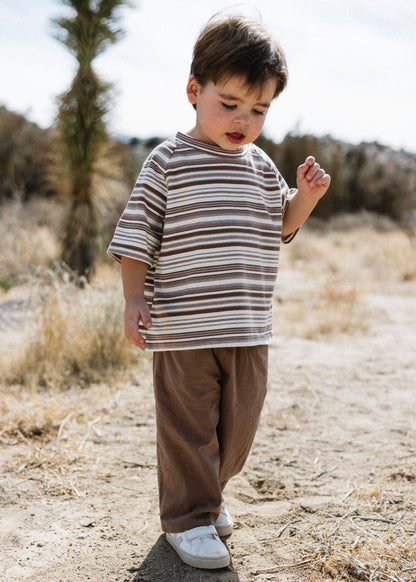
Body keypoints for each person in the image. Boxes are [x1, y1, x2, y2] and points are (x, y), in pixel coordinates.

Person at [108, 13, 330, 570]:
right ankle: (188, 516)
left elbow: (280, 225)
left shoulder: (260, 167)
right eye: (229, 103)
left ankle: (208, 493)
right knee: (188, 429)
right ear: (193, 90)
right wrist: (135, 298)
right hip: (183, 328)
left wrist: (303, 198)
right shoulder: (168, 161)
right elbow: (137, 238)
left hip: (248, 326)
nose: (243, 120)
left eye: (259, 110)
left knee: (237, 430)